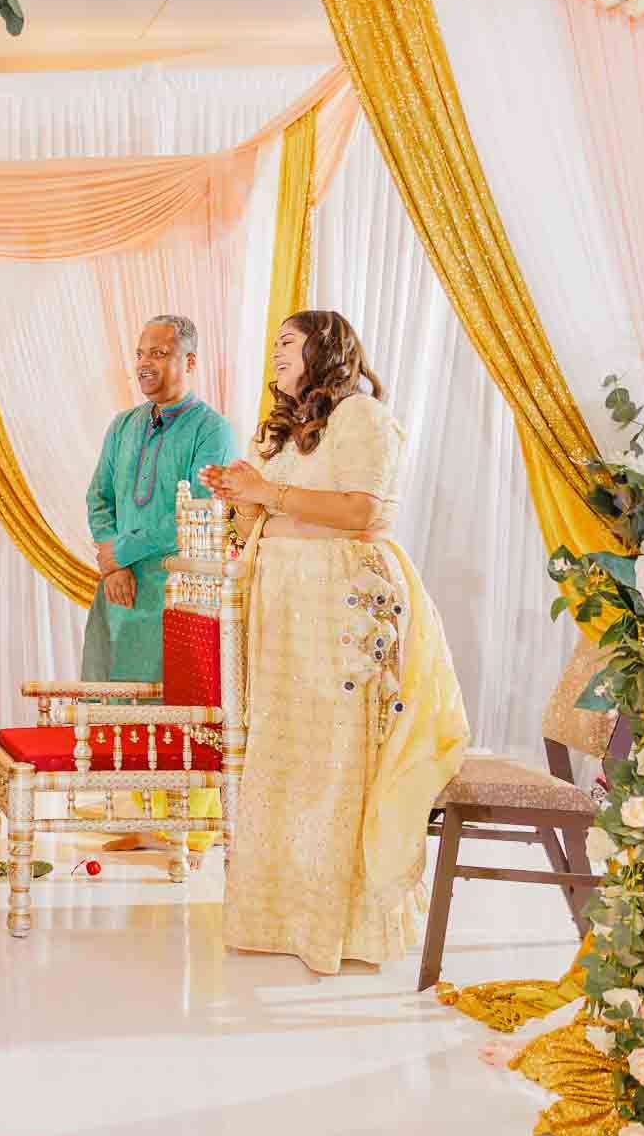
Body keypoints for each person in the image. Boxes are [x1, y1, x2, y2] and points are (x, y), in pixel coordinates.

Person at [200, 311, 468, 975]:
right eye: (274, 345)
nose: (276, 355)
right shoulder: (294, 428)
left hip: (342, 602)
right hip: (288, 603)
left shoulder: (362, 417)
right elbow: (277, 506)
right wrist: (244, 494)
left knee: (336, 760)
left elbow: (368, 511)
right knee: (286, 760)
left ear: (326, 349)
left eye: (287, 344)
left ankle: (340, 924)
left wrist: (272, 491)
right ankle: (280, 915)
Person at [81, 317, 234, 860]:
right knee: (120, 697)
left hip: (179, 595)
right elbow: (99, 498)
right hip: (122, 592)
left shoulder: (211, 429)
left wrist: (121, 551)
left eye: (160, 353)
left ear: (188, 362)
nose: (145, 362)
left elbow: (195, 511)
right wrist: (111, 564)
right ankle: (137, 818)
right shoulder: (122, 426)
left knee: (175, 704)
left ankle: (185, 826)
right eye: (141, 351)